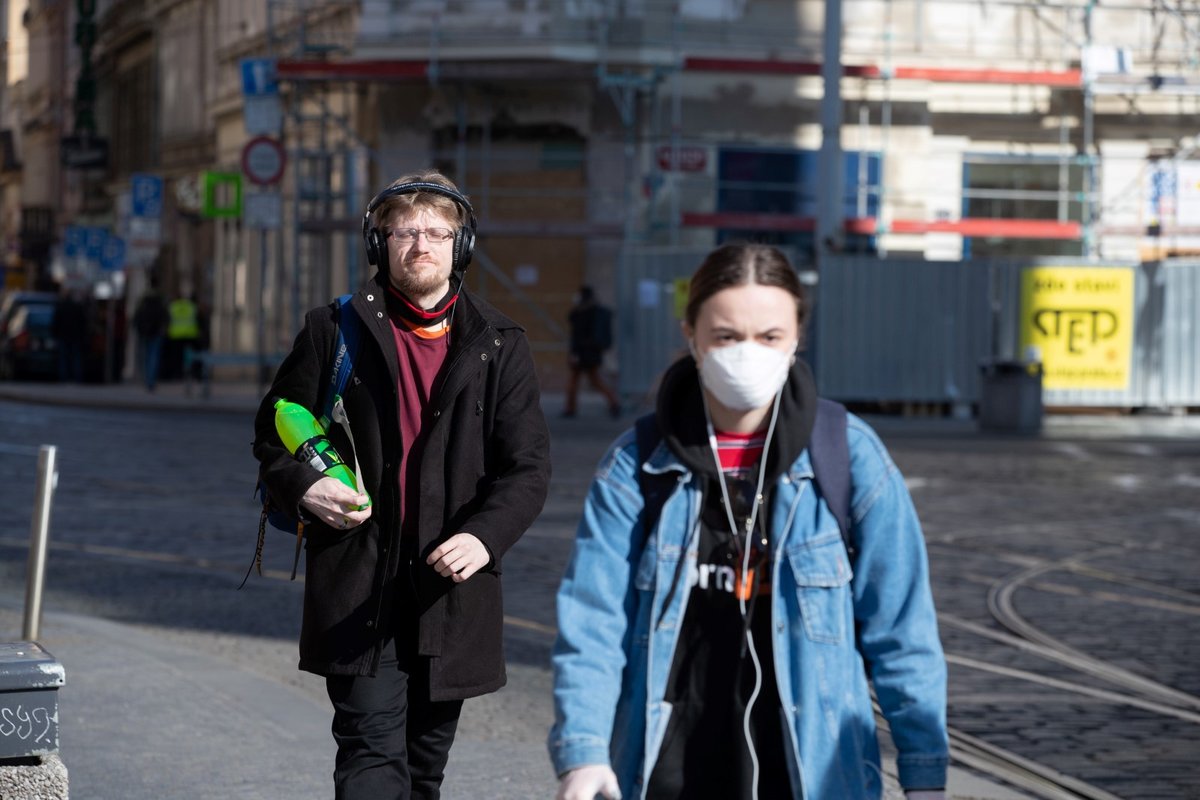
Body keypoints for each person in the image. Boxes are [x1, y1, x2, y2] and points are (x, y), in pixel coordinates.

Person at [548, 243, 948, 800]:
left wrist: (923, 772)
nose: (748, 354)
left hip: (813, 771)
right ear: (691, 335)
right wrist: (585, 751)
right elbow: (594, 619)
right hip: (666, 765)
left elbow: (903, 630)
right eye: (727, 336)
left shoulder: (848, 455)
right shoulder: (637, 462)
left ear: (797, 338)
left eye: (769, 337)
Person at [253, 170, 551, 800]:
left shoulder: (501, 343)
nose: (422, 244)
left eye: (437, 232)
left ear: (460, 246)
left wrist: (485, 538)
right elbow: (272, 433)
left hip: (453, 590)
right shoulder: (332, 331)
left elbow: (528, 468)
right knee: (369, 758)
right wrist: (303, 486)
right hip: (359, 582)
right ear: (379, 242)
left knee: (422, 771)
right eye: (405, 231)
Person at [563, 285, 620, 419]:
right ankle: (613, 403)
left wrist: (574, 353)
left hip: (582, 353)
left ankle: (570, 408)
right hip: (592, 353)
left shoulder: (581, 313)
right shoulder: (596, 311)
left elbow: (576, 335)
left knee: (577, 380)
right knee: (594, 380)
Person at [132, 283, 169, 392]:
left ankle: (147, 379)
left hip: (145, 333)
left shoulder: (143, 303)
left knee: (146, 357)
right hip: (156, 333)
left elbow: (136, 317)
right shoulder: (160, 303)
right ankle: (150, 381)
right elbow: (166, 317)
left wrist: (138, 329)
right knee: (153, 357)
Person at [52, 288, 88, 382]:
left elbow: (56, 322)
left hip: (63, 335)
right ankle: (77, 377)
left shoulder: (61, 307)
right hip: (75, 336)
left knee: (63, 358)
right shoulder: (77, 307)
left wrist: (55, 334)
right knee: (76, 358)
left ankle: (63, 378)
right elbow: (83, 322)